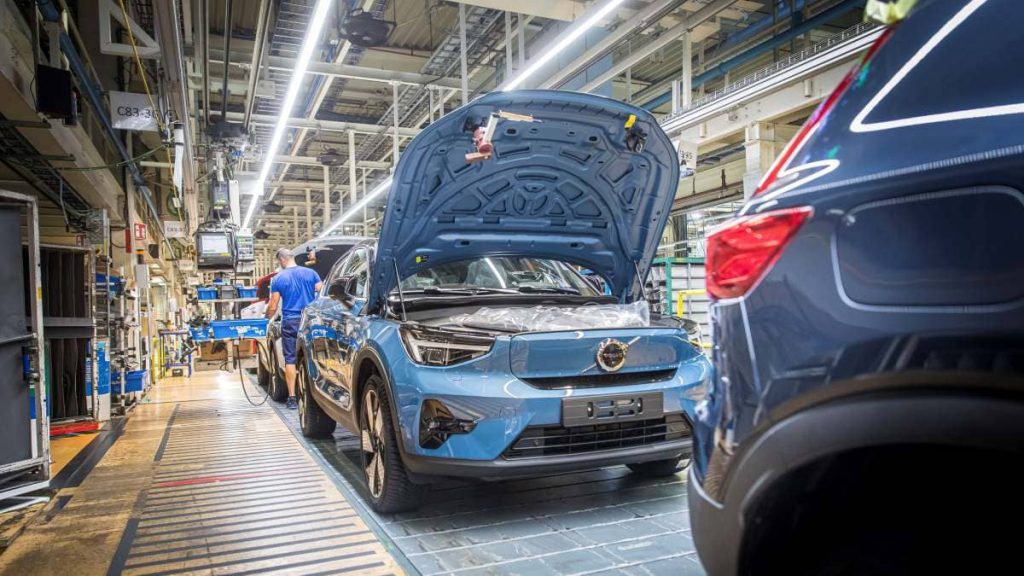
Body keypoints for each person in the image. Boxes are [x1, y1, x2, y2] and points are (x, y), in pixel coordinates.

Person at [265, 247, 322, 409]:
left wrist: (266, 318)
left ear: (282, 260)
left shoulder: (278, 278)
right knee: (312, 356)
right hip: (308, 321)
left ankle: (292, 397)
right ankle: (315, 394)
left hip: (290, 321)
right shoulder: (311, 273)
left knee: (290, 359)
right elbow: (322, 293)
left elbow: (273, 305)